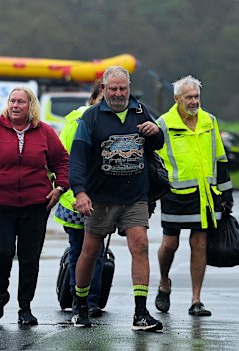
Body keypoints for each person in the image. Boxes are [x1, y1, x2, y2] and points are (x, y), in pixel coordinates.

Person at [68, 66, 164, 331]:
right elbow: (77, 159)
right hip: (100, 197)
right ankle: (80, 305)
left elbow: (157, 144)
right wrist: (80, 192)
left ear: (129, 87)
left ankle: (141, 312)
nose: (119, 93)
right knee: (90, 251)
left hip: (135, 196)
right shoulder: (92, 117)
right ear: (104, 88)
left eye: (123, 88)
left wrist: (156, 133)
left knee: (141, 245)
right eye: (113, 89)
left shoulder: (140, 111)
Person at [0, 87, 70, 326]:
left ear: (30, 106)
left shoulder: (45, 132)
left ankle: (25, 307)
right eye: (12, 101)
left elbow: (62, 161)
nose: (15, 105)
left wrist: (60, 187)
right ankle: (2, 292)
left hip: (35, 205)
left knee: (29, 257)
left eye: (21, 102)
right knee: (1, 253)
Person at [154, 75, 233, 317]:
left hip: (205, 194)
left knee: (199, 244)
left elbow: (219, 157)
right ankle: (164, 282)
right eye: (189, 97)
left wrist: (226, 191)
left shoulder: (210, 121)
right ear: (177, 99)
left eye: (197, 96)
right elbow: (154, 159)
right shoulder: (163, 123)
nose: (194, 101)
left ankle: (196, 299)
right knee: (170, 244)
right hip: (175, 194)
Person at [53, 81, 106, 317]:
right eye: (102, 99)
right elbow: (65, 159)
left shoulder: (114, 122)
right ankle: (82, 299)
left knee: (97, 251)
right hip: (76, 197)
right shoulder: (78, 122)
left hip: (102, 198)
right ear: (93, 100)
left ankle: (89, 299)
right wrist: (72, 190)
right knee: (80, 250)